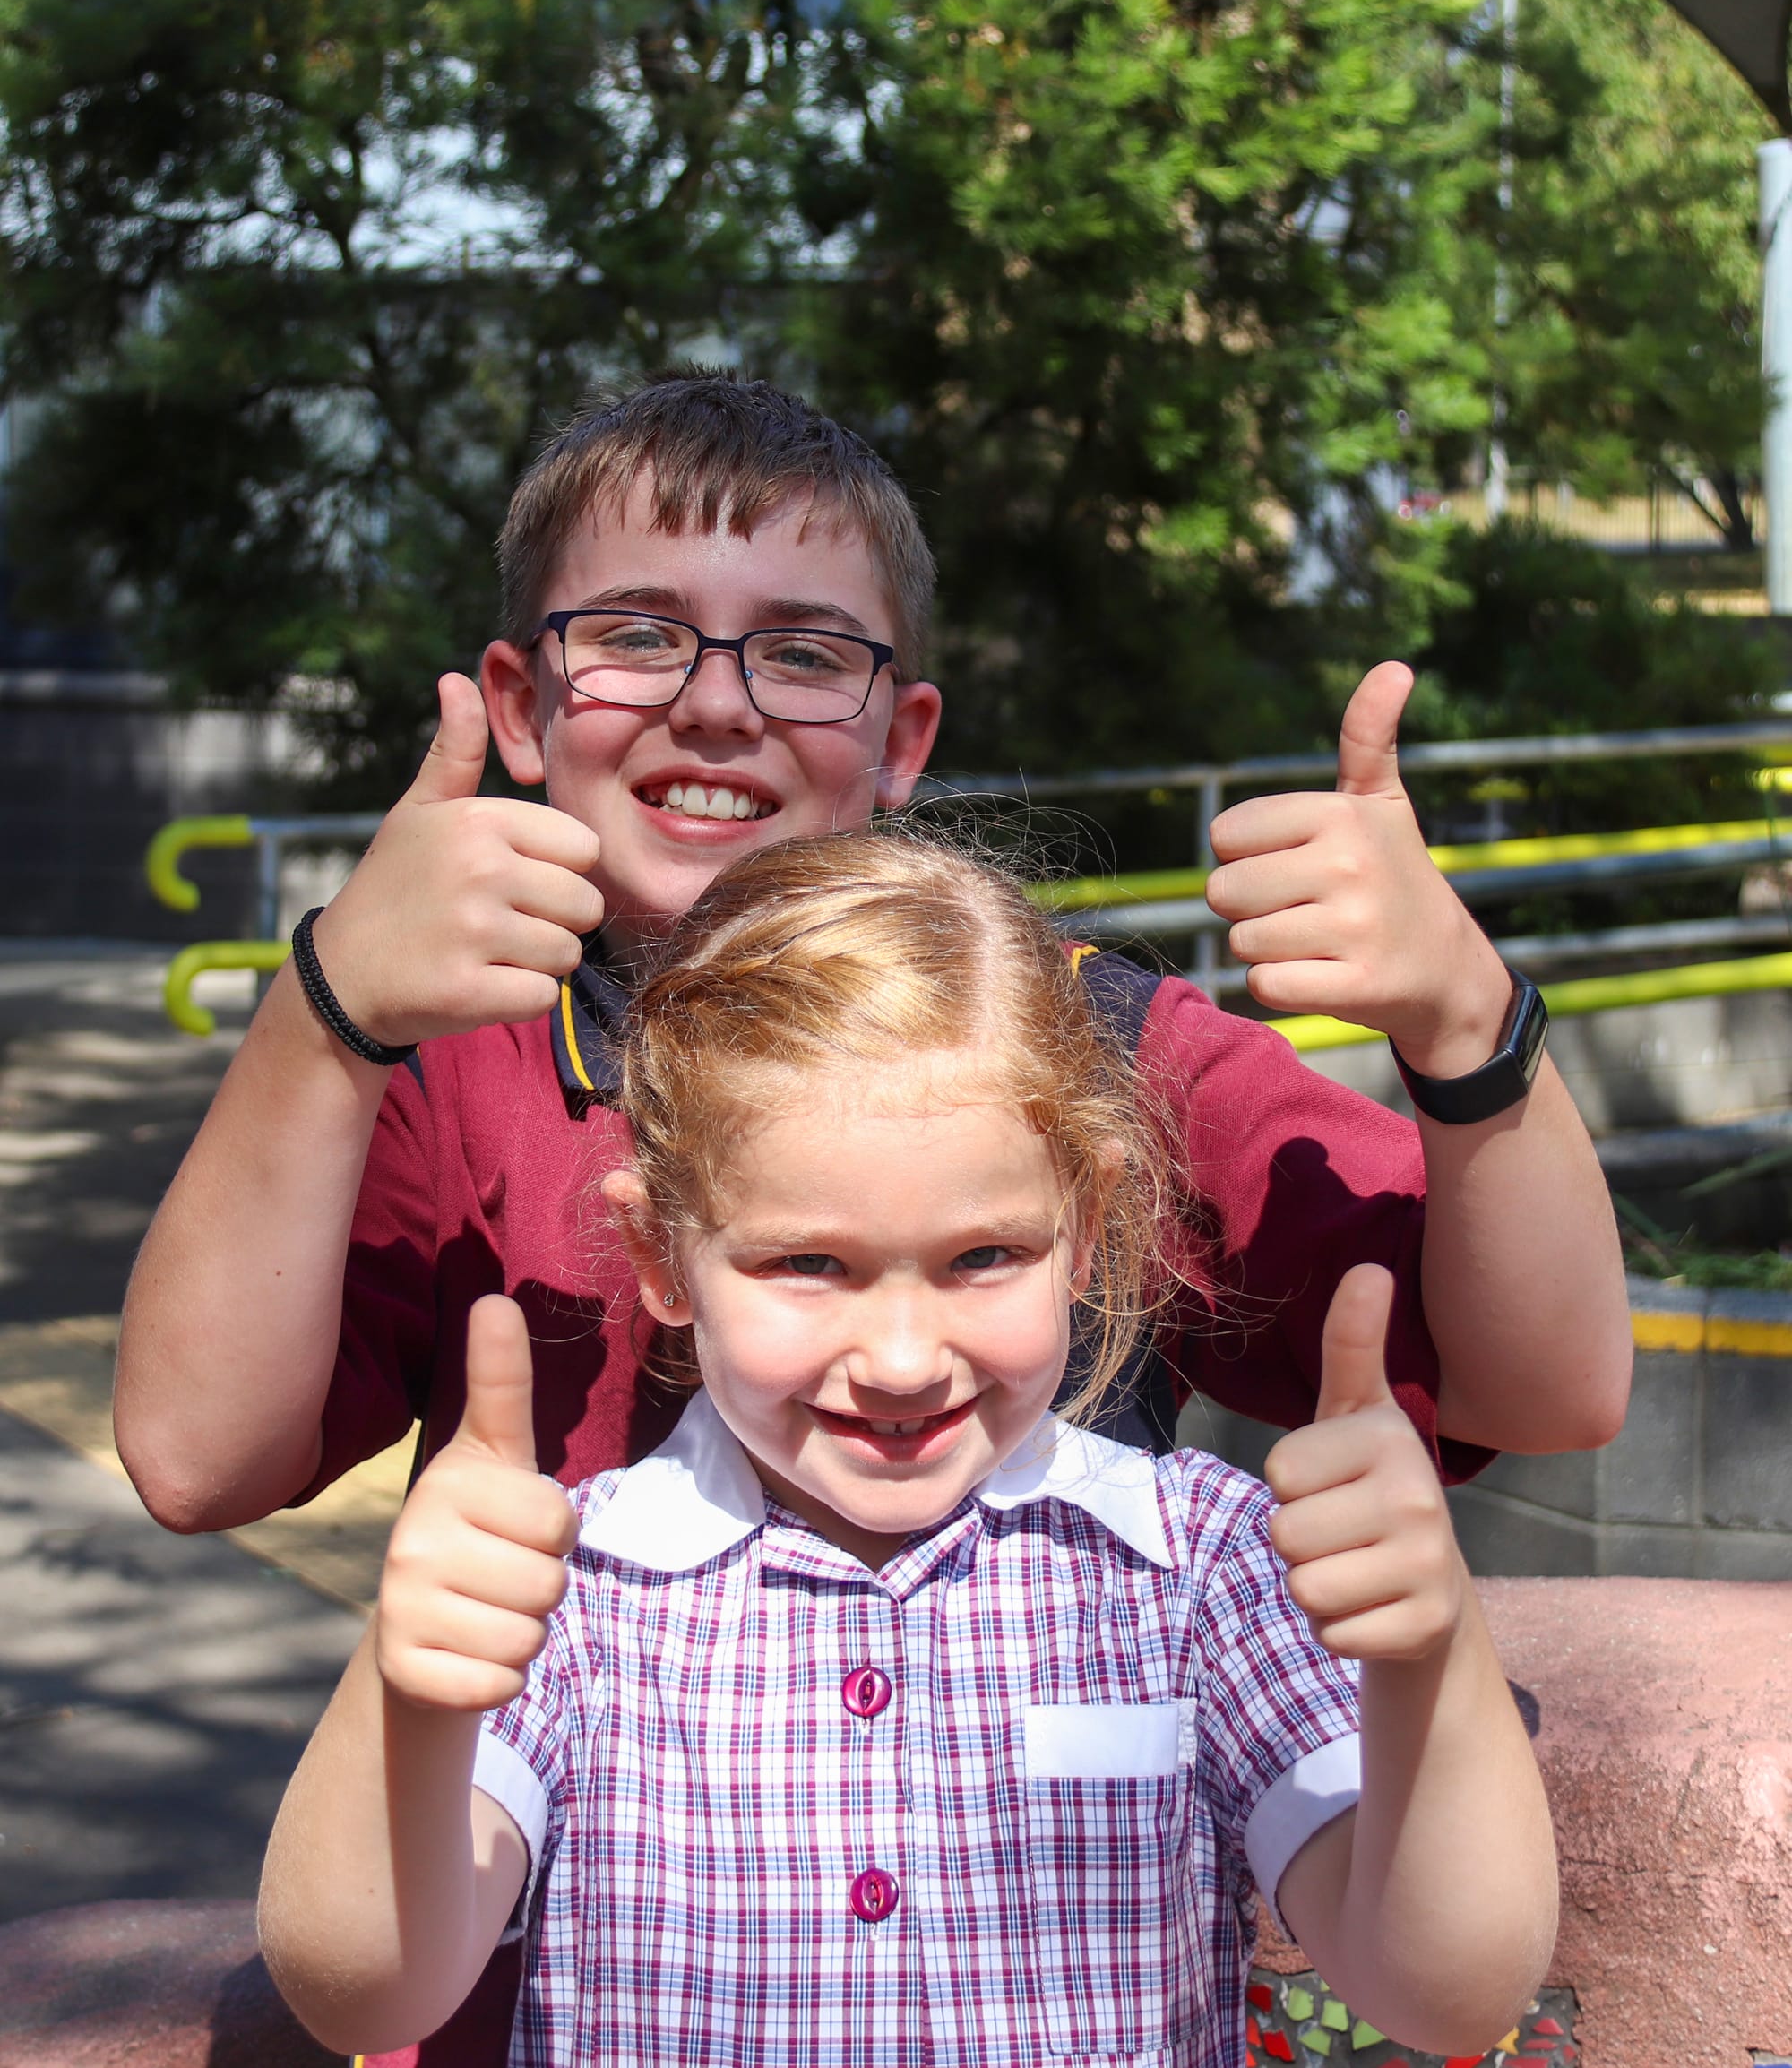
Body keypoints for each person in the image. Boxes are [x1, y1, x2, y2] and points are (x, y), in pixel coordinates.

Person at [116, 371, 1623, 2064]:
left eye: (805, 652)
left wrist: (1466, 1024)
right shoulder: (447, 1056)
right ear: (524, 705)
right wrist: (325, 1007)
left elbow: (1550, 1389)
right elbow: (193, 1458)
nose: (715, 707)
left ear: (903, 737)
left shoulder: (1067, 1042)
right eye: (639, 635)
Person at [257, 830, 1559, 2066]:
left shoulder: (1204, 1568)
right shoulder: (572, 1597)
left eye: (982, 1258)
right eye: (807, 1264)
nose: (898, 1359)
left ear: (1090, 1224)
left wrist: (1427, 1653)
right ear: (661, 1255)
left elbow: (1445, 1984)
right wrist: (409, 1684)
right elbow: (361, 1982)